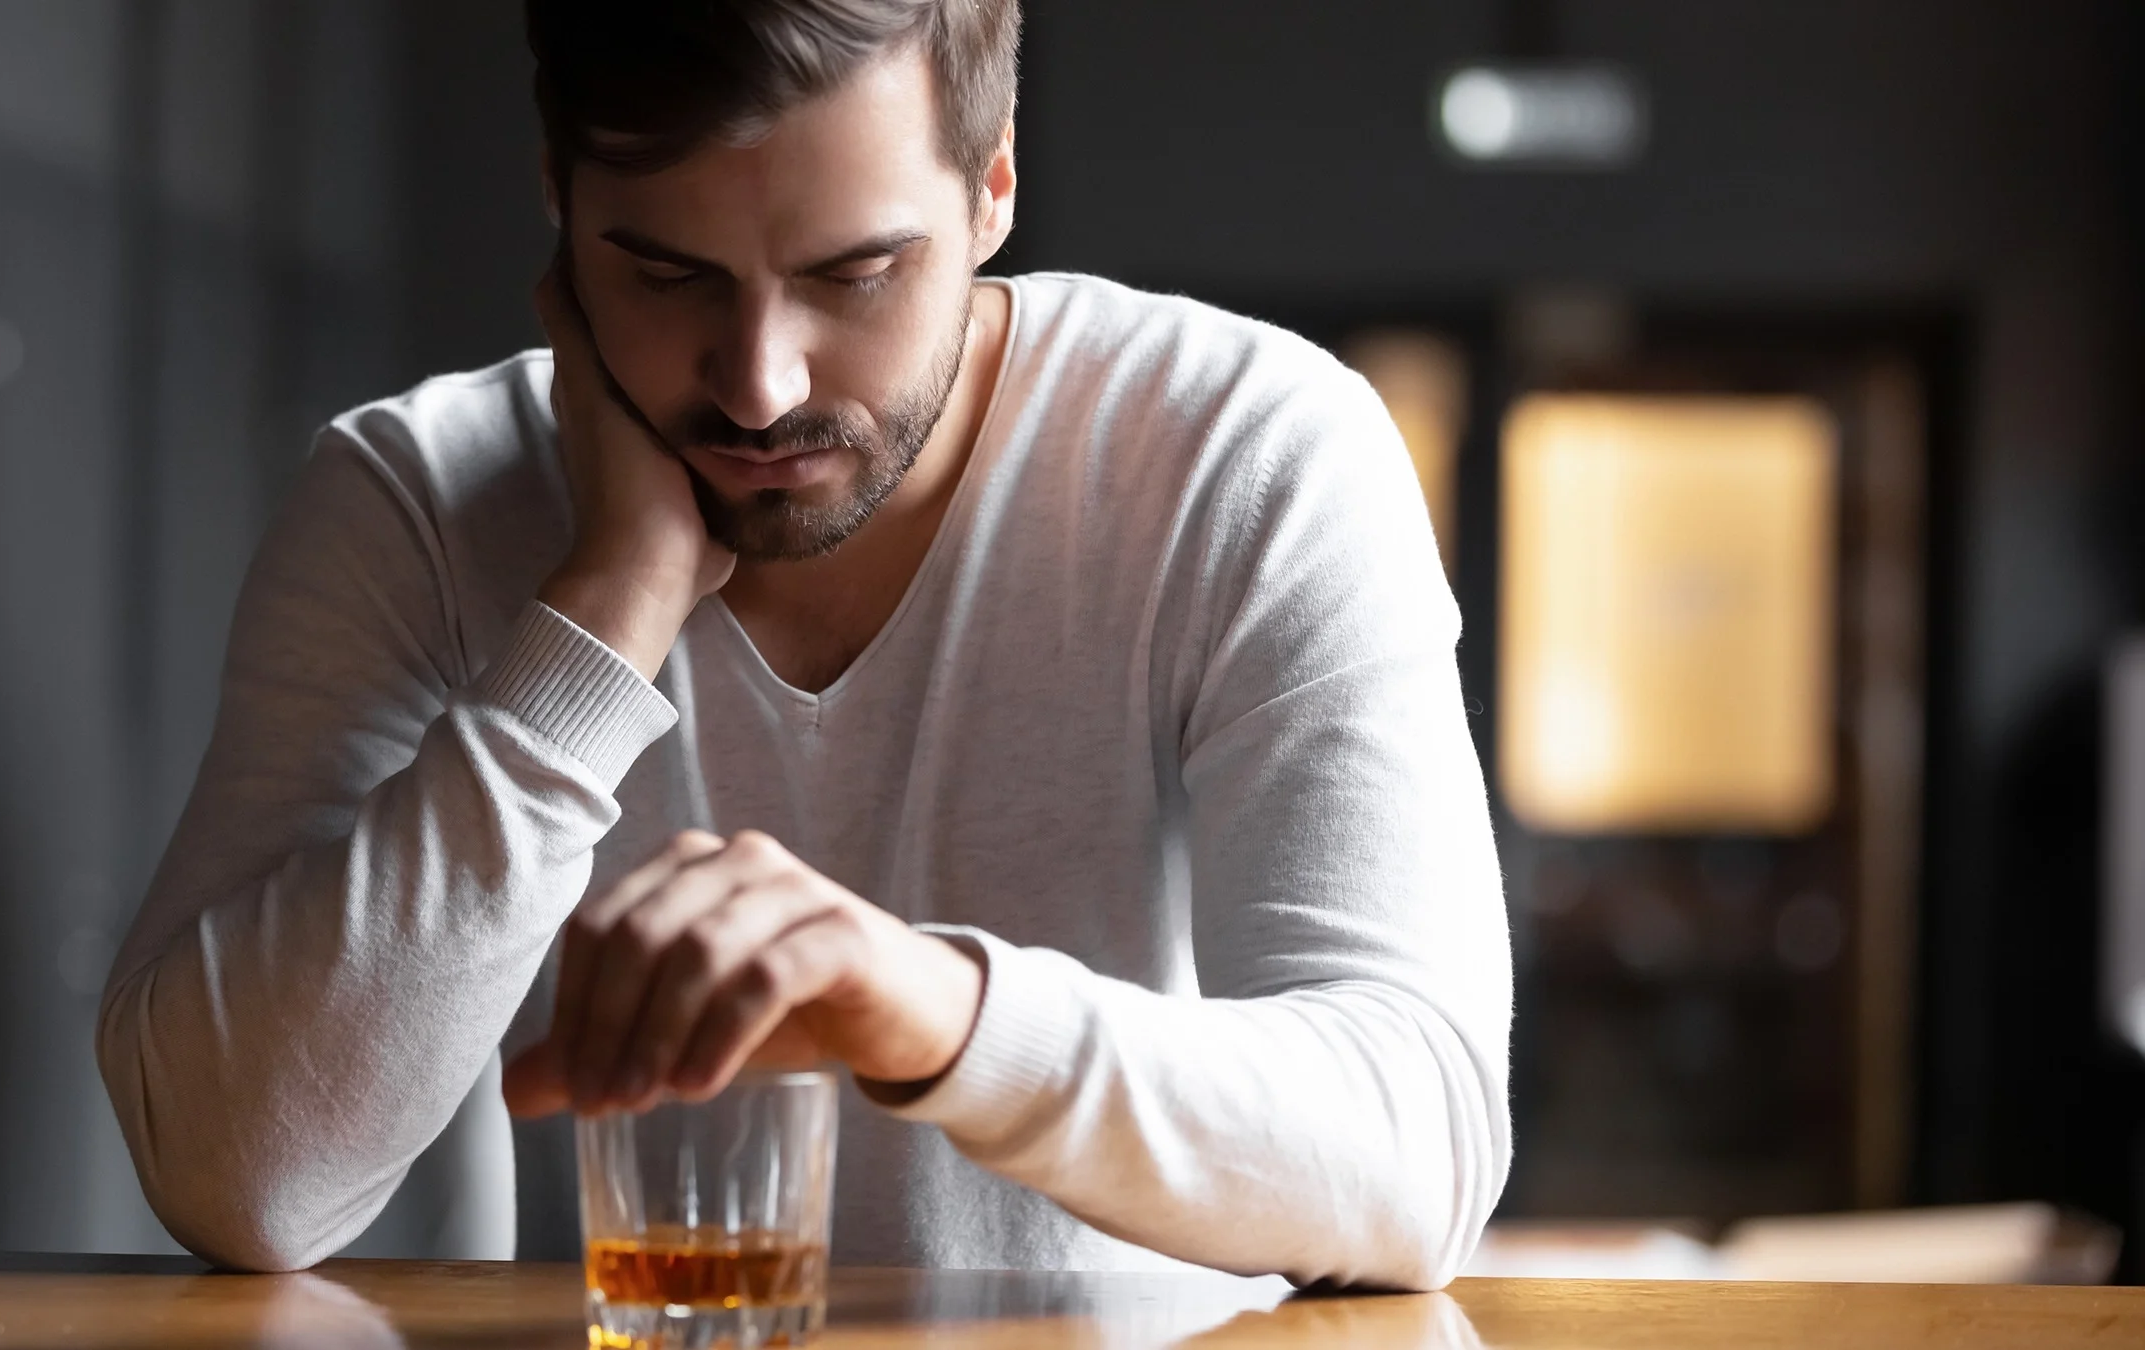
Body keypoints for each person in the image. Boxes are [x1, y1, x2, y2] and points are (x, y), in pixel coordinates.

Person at [97, 0, 1511, 1287]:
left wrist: (926, 1011)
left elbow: (1421, 1148)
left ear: (995, 186)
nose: (760, 386)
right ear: (557, 200)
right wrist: (601, 616)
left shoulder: (1242, 452)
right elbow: (243, 1182)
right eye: (663, 276)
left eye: (856, 275)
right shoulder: (415, 501)